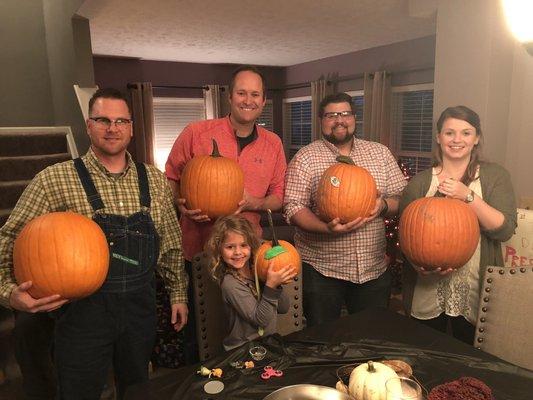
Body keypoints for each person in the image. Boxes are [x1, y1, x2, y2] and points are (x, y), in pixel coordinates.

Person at [0, 88, 188, 399]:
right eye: (103, 120)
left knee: (138, 387)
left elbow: (169, 241)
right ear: (88, 125)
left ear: (131, 127)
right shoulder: (54, 179)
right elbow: (10, 238)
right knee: (78, 391)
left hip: (139, 307)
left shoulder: (154, 180)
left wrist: (178, 293)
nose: (112, 128)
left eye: (120, 121)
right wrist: (9, 294)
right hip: (82, 314)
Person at [165, 65, 286, 359]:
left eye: (255, 94)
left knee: (246, 327)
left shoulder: (273, 144)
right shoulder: (197, 133)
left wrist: (254, 202)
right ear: (229, 97)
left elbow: (278, 197)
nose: (248, 100)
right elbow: (169, 178)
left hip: (245, 255)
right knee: (202, 333)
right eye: (241, 92)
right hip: (199, 251)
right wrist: (180, 202)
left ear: (263, 100)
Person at [284, 92, 407, 327]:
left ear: (354, 118)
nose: (339, 120)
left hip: (373, 269)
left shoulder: (379, 153)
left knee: (371, 338)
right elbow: (293, 206)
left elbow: (402, 196)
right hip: (322, 271)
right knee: (323, 339)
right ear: (321, 120)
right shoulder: (306, 158)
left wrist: (382, 206)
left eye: (345, 113)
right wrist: (324, 228)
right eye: (331, 115)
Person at [399, 105, 517, 345]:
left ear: (477, 139)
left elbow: (504, 230)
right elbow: (406, 236)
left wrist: (468, 196)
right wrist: (418, 266)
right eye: (449, 132)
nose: (457, 139)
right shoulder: (420, 183)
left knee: (471, 360)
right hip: (427, 290)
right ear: (438, 137)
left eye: (466, 132)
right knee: (427, 354)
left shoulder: (495, 176)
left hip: (476, 290)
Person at [204, 215, 296, 350]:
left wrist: (274, 283)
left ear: (251, 246)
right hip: (243, 351)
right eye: (230, 247)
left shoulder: (258, 273)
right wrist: (271, 286)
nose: (238, 252)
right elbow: (260, 320)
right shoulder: (230, 284)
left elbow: (283, 308)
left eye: (243, 245)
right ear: (219, 250)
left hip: (266, 346)